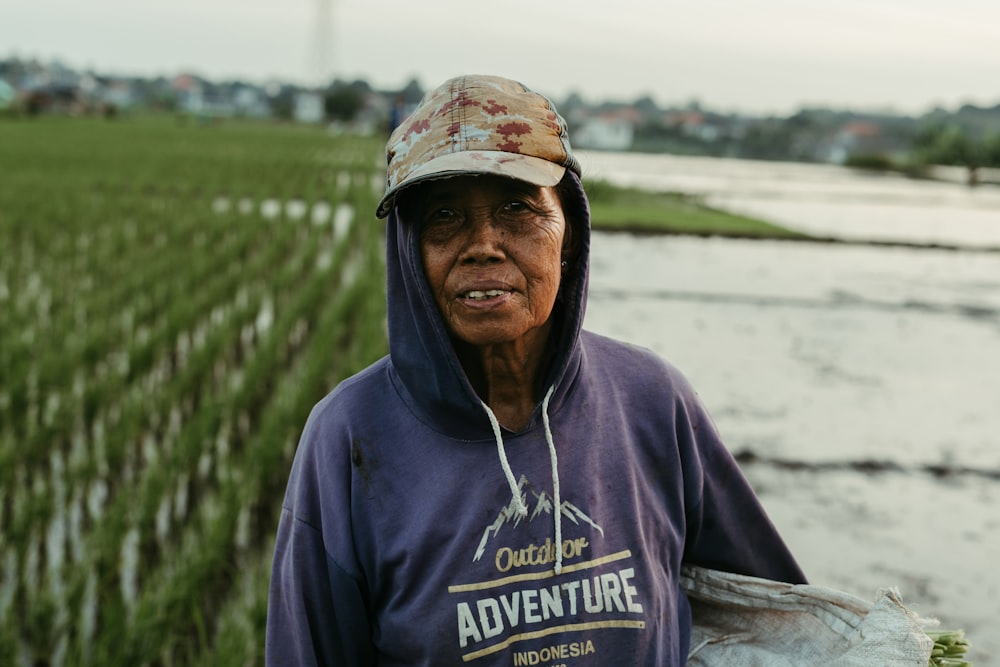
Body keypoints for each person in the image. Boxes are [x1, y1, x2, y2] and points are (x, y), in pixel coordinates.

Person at [266, 74, 806, 666]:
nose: (484, 245)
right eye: (444, 216)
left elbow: (779, 623)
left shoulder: (652, 400)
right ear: (410, 250)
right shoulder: (350, 435)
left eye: (518, 208)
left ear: (568, 231)